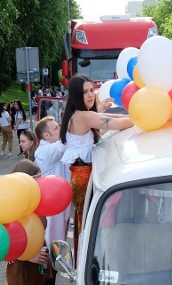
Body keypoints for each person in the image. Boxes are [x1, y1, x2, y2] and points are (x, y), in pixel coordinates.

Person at [60, 74, 133, 260]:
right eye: (85, 92)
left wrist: (129, 116)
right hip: (84, 177)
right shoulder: (84, 116)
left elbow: (109, 116)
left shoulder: (75, 114)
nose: (90, 95)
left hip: (79, 175)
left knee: (84, 223)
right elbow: (119, 123)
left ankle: (85, 263)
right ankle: (90, 263)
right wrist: (139, 119)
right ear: (77, 94)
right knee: (89, 225)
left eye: (92, 90)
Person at [34, 117, 69, 285]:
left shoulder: (52, 147)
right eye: (56, 127)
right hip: (52, 212)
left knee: (57, 250)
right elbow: (64, 143)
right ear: (46, 135)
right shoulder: (45, 151)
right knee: (51, 252)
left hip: (59, 208)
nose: (60, 129)